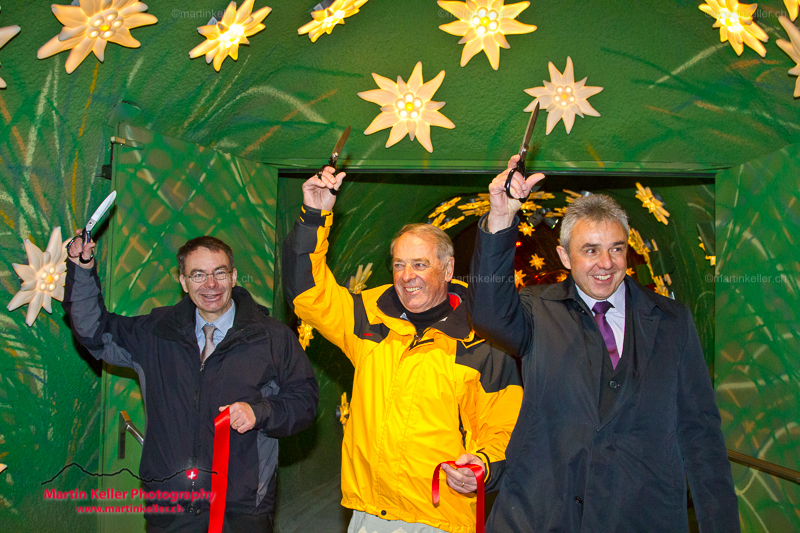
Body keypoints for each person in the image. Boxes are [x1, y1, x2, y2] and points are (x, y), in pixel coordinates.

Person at [467, 156, 740, 533]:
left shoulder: (672, 321)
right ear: (565, 256)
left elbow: (700, 433)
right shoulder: (536, 311)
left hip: (640, 518)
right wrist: (500, 218)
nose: (606, 263)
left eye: (616, 249)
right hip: (542, 517)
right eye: (591, 250)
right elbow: (488, 314)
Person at [282, 167, 523, 533]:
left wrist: (483, 466)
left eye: (420, 264)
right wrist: (314, 215)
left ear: (448, 269)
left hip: (439, 517)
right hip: (369, 512)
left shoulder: (482, 340)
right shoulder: (367, 315)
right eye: (399, 265)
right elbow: (306, 294)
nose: (407, 275)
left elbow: (504, 425)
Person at [62, 233, 318, 532]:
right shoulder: (157, 333)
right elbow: (94, 331)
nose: (211, 284)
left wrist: (260, 412)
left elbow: (305, 402)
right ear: (183, 282)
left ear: (233, 276)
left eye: (219, 273)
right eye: (198, 275)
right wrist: (82, 268)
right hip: (171, 512)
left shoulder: (272, 338)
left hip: (241, 512)